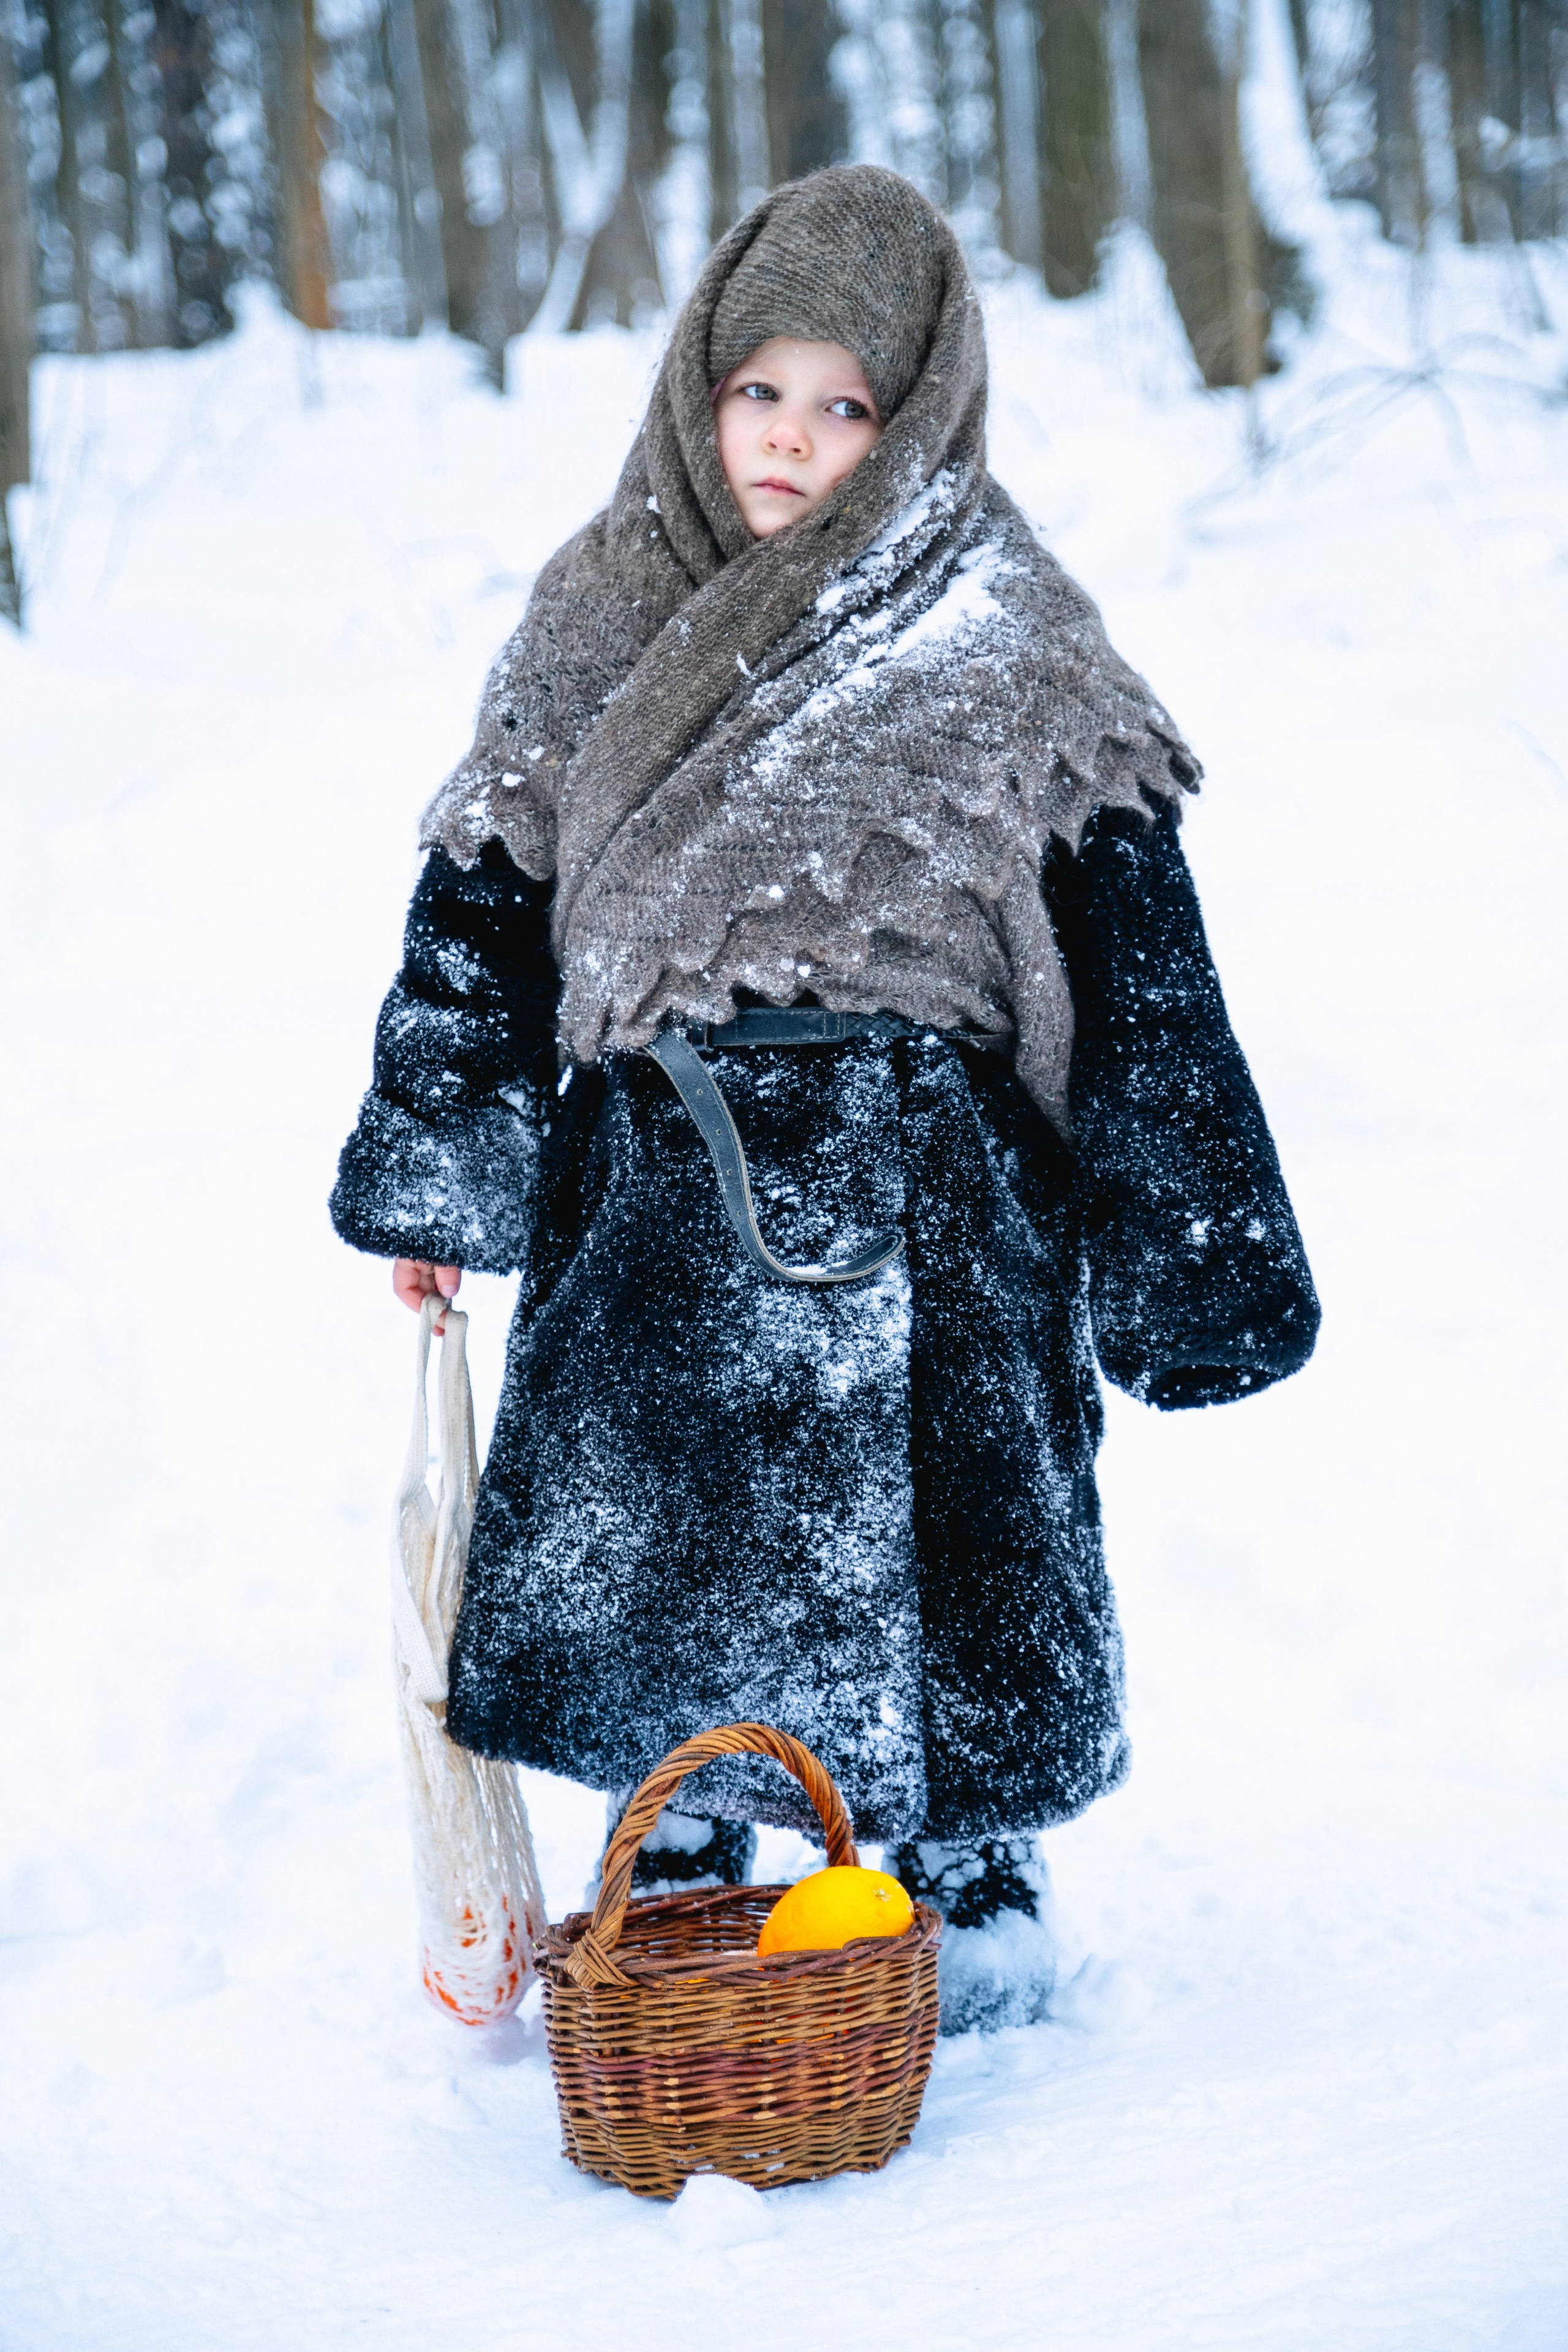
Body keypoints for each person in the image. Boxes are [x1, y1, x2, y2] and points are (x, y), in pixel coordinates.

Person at [331, 166, 1319, 2034]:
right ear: (700, 385)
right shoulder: (604, 600)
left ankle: (970, 1855)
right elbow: (489, 896)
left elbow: (1133, 937)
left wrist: (1190, 1239)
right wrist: (446, 1180)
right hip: (659, 1173)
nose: (792, 440)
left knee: (967, 1517)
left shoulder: (995, 610)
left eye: (847, 402)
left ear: (920, 408)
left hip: (938, 1182)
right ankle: (688, 1831)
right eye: (758, 390)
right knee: (668, 1514)